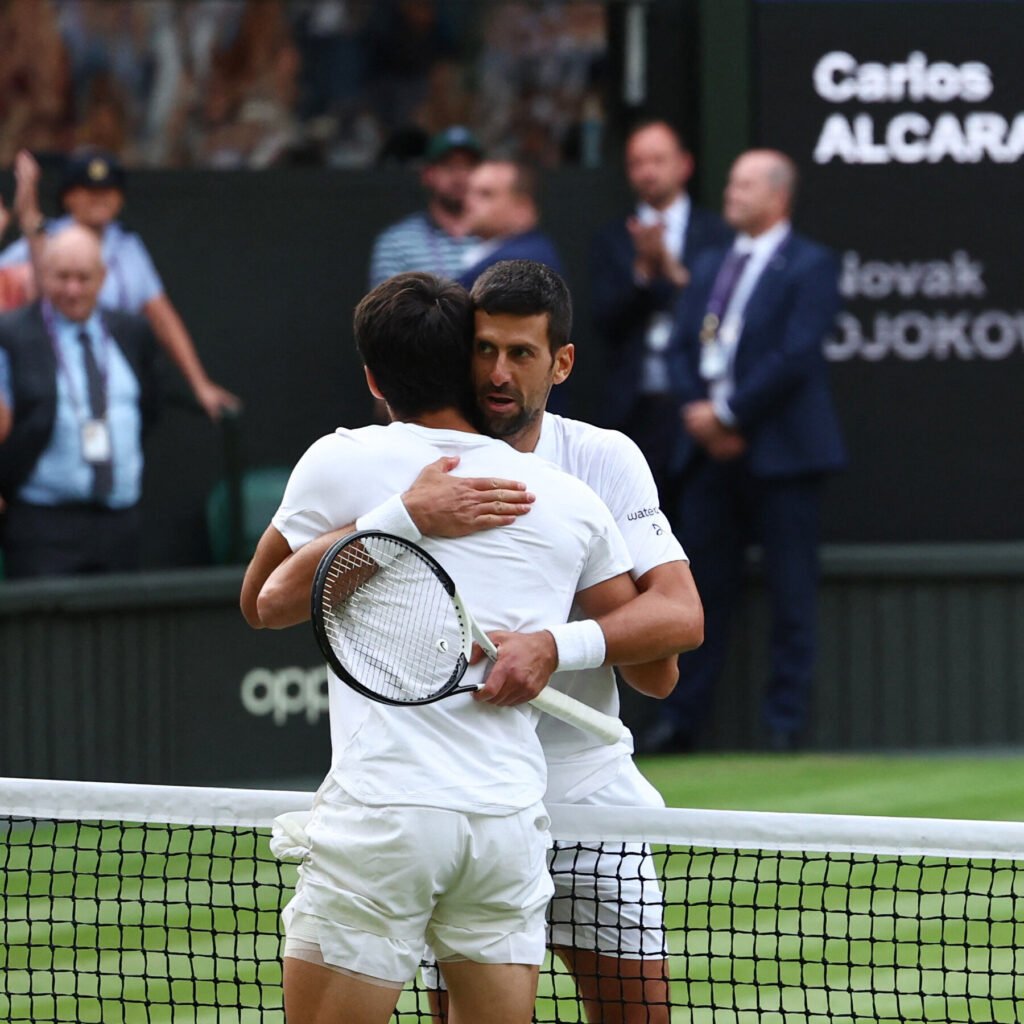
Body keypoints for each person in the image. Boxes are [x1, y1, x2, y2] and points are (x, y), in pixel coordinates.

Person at [253, 260, 704, 1024]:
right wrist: (405, 516)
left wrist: (553, 647)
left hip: (580, 790)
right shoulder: (383, 472)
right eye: (483, 350)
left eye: (520, 354)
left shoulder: (595, 468)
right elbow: (268, 602)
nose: (498, 373)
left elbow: (665, 653)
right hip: (493, 808)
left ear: (560, 362)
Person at [655, 148, 846, 754]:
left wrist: (730, 413)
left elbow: (796, 355)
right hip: (708, 457)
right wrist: (702, 415)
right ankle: (683, 723)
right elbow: (682, 347)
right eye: (730, 183)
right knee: (700, 591)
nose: (730, 193)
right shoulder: (710, 262)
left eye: (744, 184)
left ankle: (784, 726)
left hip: (783, 456)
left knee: (791, 593)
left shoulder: (811, 264)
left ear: (778, 195)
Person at [0, 148, 239, 419]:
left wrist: (199, 383)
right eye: (88, 190)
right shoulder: (47, 239)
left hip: (116, 379)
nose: (100, 198)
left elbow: (161, 316)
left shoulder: (128, 246)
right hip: (56, 379)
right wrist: (28, 219)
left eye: (108, 190)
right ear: (69, 197)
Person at [0, 224, 160, 578]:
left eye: (83, 278)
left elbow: (148, 408)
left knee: (121, 629)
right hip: (42, 525)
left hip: (120, 521)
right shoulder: (12, 334)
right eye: (62, 277)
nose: (72, 290)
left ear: (102, 278)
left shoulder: (131, 331)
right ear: (43, 274)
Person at [590, 121, 732, 511]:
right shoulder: (612, 238)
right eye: (637, 162)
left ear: (684, 165)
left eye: (658, 160)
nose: (648, 171)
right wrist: (641, 277)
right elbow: (603, 321)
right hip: (634, 405)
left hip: (700, 405)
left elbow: (729, 314)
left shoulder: (717, 234)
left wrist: (675, 275)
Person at [367, 125, 483, 288]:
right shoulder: (397, 242)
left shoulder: (500, 236)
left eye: (468, 166)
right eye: (449, 166)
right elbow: (386, 311)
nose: (459, 176)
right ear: (428, 174)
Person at [455, 160, 564, 290]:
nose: (468, 202)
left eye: (486, 194)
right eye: (468, 192)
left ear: (522, 208)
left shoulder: (520, 266)